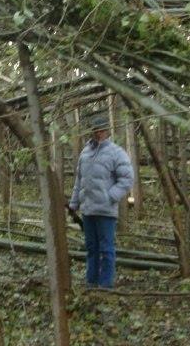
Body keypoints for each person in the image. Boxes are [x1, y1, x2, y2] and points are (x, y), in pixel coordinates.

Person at [68, 114, 134, 289]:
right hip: (88, 209)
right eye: (95, 130)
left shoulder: (116, 152)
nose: (98, 133)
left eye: (101, 130)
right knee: (91, 248)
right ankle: (91, 281)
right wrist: (74, 204)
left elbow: (127, 179)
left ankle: (105, 285)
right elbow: (79, 181)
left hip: (105, 211)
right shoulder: (85, 152)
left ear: (107, 131)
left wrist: (110, 196)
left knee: (106, 249)